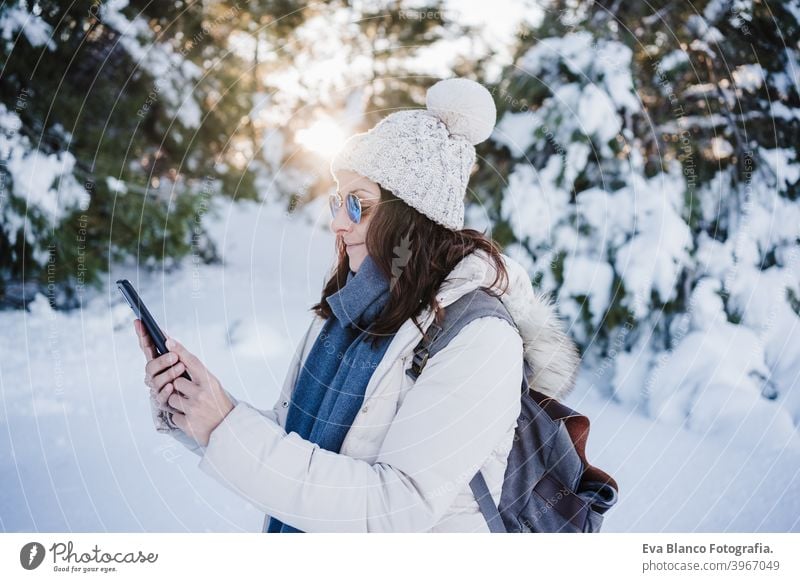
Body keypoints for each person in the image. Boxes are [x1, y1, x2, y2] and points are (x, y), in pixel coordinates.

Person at [135, 77, 581, 533]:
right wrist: (198, 406)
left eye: (358, 205)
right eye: (337, 202)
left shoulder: (480, 336)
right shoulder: (346, 311)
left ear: (411, 216)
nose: (335, 222)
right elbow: (293, 439)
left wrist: (226, 428)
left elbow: (397, 504)